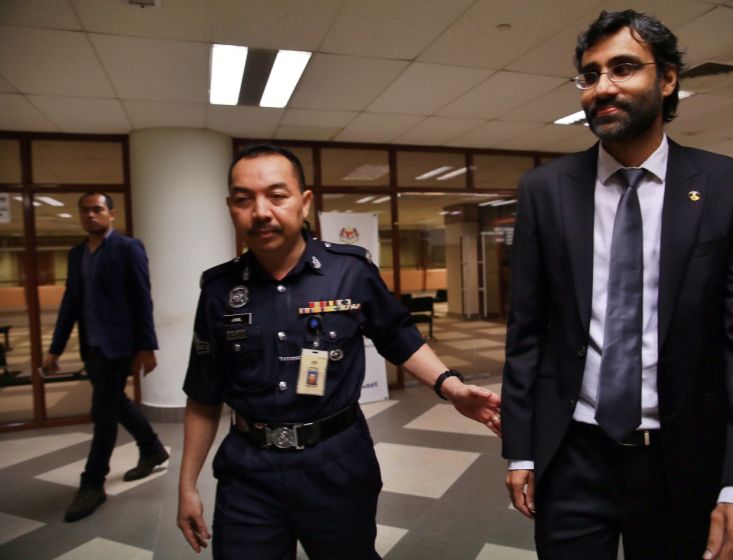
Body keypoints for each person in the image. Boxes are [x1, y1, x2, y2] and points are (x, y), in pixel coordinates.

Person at [501, 10, 733, 560]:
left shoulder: (728, 186)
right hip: (573, 454)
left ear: (668, 79)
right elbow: (529, 332)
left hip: (683, 458)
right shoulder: (545, 190)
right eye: (590, 75)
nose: (602, 87)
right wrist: (521, 450)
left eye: (624, 68)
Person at [176, 144, 502, 559]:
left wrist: (450, 387)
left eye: (277, 195)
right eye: (244, 199)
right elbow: (204, 394)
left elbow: (398, 335)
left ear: (304, 201)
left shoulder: (350, 271)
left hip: (336, 465)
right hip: (248, 472)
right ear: (230, 208)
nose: (260, 211)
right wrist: (187, 485)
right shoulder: (220, 290)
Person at [43, 192, 167, 522]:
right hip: (93, 347)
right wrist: (55, 348)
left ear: (111, 214)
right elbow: (71, 303)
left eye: (97, 210)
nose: (90, 215)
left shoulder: (128, 248)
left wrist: (147, 346)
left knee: (102, 412)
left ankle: (92, 484)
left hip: (119, 346)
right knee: (115, 403)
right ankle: (152, 448)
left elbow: (143, 298)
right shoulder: (76, 255)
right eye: (85, 211)